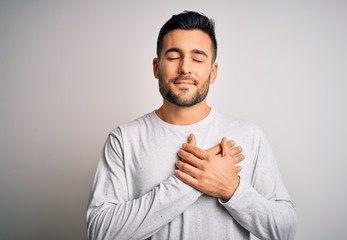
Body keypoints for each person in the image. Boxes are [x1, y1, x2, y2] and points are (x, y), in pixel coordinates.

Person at [86, 11, 296, 240]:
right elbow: (101, 232)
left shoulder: (248, 135)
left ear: (213, 71)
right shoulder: (124, 139)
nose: (185, 68)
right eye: (174, 56)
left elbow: (284, 231)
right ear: (156, 67)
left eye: (197, 59)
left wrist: (231, 189)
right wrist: (189, 183)